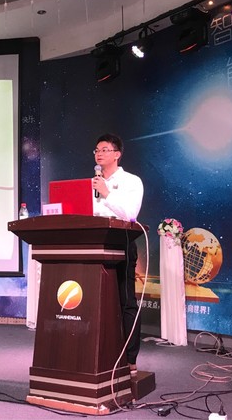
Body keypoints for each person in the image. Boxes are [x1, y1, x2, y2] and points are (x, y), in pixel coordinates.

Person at [91, 133, 144, 372]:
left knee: (125, 301)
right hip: (92, 245)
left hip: (121, 242)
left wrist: (107, 193)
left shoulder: (131, 181)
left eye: (104, 149)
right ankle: (98, 354)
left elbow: (130, 215)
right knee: (94, 301)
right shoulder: (92, 182)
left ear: (117, 154)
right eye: (96, 150)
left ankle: (129, 359)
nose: (99, 153)